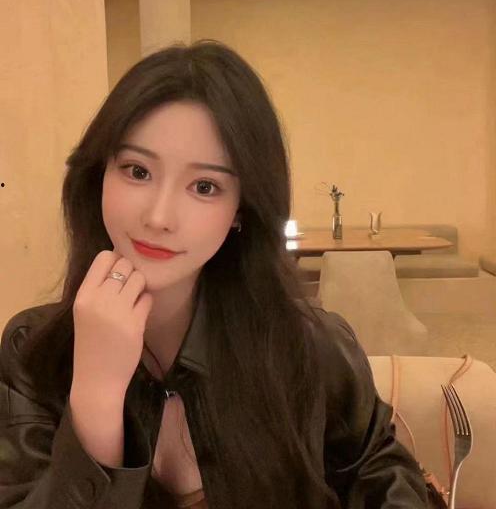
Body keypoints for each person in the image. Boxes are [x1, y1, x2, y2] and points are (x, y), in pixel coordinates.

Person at [0, 40, 428, 509]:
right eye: (137, 171)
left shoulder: (309, 346)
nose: (159, 217)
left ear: (241, 209)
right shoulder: (32, 351)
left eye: (204, 186)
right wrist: (95, 399)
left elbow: (384, 476)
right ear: (98, 175)